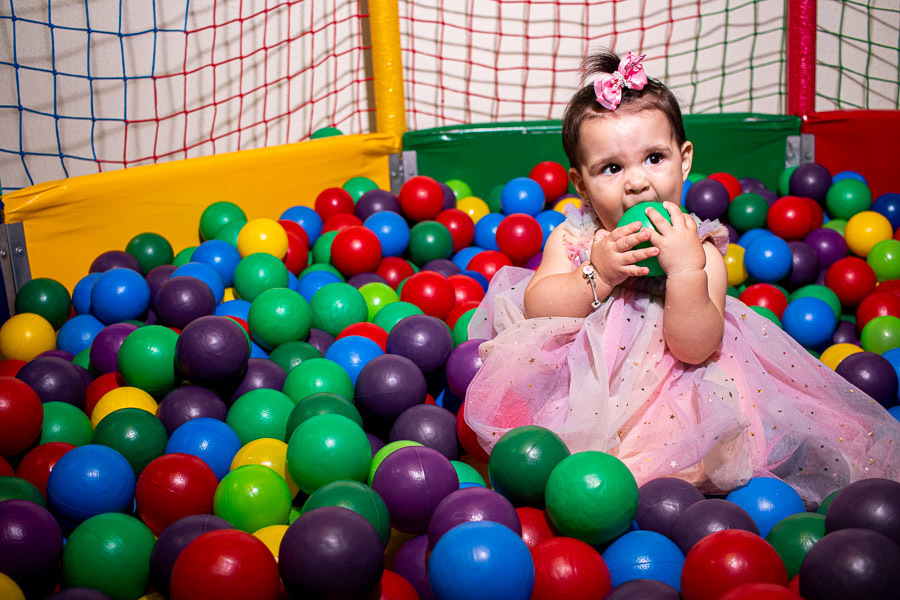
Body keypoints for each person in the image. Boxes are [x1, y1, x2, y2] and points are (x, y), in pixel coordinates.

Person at [463, 49, 900, 504]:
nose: (637, 182)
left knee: (681, 468)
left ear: (684, 159)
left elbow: (695, 347)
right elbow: (538, 309)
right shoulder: (575, 238)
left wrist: (686, 270)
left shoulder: (702, 248)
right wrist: (598, 273)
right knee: (555, 455)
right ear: (581, 184)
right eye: (611, 168)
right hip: (585, 385)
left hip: (676, 393)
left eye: (654, 158)